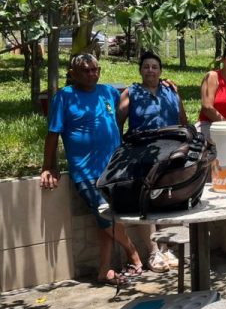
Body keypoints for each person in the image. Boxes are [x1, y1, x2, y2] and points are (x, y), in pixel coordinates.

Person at [41, 54, 142, 287]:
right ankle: (133, 253)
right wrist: (49, 166)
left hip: (114, 168)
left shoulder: (108, 92)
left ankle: (104, 270)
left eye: (95, 69)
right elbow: (53, 134)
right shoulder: (64, 97)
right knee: (105, 215)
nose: (91, 74)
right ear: (73, 72)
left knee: (106, 218)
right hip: (85, 171)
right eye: (85, 70)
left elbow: (129, 98)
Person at [117, 51, 187, 273]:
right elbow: (118, 123)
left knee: (165, 199)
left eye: (154, 67)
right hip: (142, 154)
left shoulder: (171, 91)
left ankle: (166, 247)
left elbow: (183, 120)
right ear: (140, 70)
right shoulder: (132, 92)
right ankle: (153, 251)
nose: (150, 70)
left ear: (160, 71)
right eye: (146, 66)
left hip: (169, 152)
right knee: (146, 202)